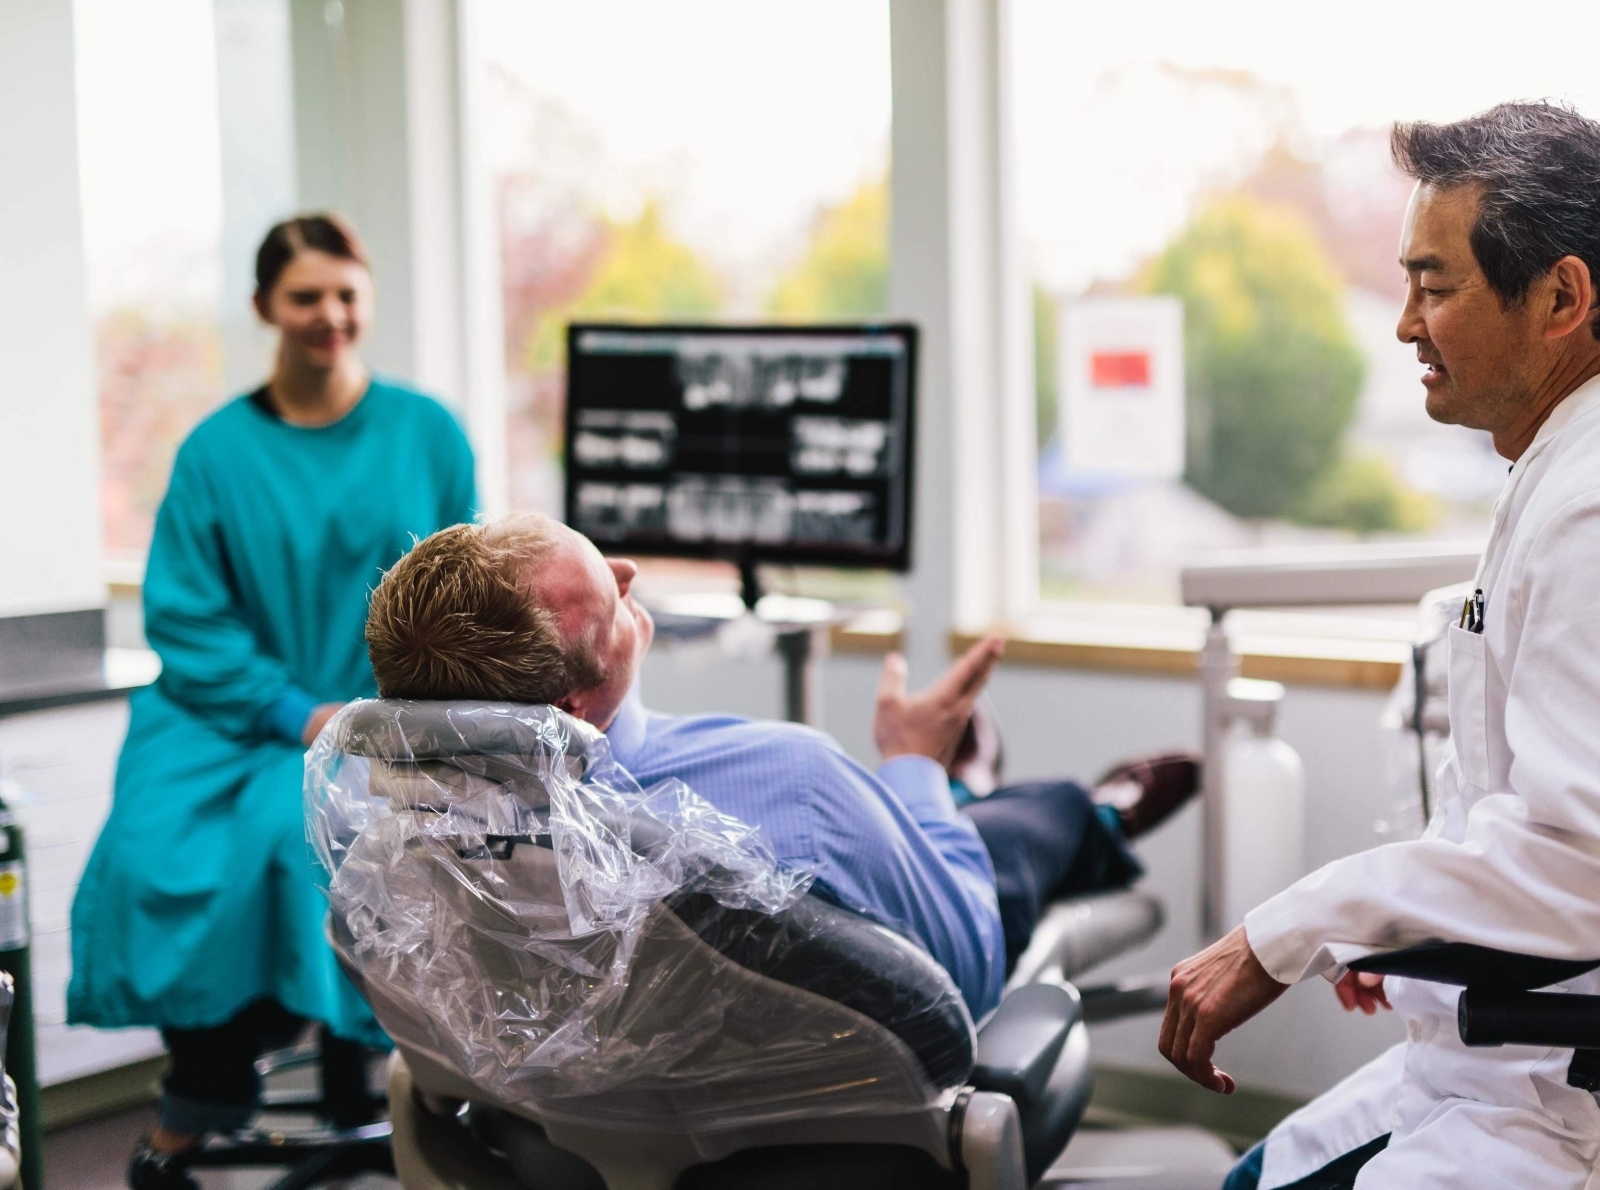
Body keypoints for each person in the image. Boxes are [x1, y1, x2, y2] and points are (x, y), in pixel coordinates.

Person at [1159, 102, 1600, 1189]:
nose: (1405, 324)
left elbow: (1580, 864)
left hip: (1541, 1097)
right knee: (1247, 1175)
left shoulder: (1589, 508)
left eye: (1434, 285)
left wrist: (1293, 928)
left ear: (1560, 297)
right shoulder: (1551, 470)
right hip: (1480, 1047)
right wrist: (1394, 933)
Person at [359, 511, 1200, 1018]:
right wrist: (907, 764)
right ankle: (1073, 811)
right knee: (1010, 838)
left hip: (572, 1145)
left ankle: (959, 786)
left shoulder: (404, 842)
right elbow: (967, 962)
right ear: (571, 708)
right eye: (609, 601)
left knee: (947, 815)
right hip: (825, 1131)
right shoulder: (789, 782)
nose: (629, 572)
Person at [67, 214, 477, 1188]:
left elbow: (468, 582)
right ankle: (207, 1083)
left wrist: (385, 713)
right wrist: (299, 712)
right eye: (306, 296)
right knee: (153, 855)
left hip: (386, 718)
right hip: (231, 716)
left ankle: (360, 1084)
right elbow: (190, 620)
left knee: (322, 845)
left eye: (346, 292)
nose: (330, 315)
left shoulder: (429, 431)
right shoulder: (214, 452)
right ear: (264, 308)